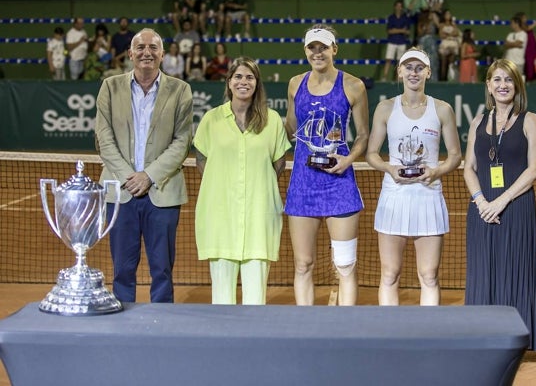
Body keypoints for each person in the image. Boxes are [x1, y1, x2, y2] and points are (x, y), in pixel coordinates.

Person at [94, 28, 193, 303]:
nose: (146, 52)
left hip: (162, 192)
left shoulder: (181, 90)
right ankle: (122, 324)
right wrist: (130, 177)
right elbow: (104, 138)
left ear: (162, 54)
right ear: (130, 54)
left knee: (162, 269)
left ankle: (161, 325)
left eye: (153, 47)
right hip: (120, 192)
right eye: (140, 47)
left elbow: (182, 141)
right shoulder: (110, 87)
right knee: (122, 269)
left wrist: (148, 176)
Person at [365, 48, 462, 305]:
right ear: (400, 71)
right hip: (393, 197)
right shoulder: (385, 108)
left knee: (429, 276)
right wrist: (389, 168)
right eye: (408, 67)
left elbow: (454, 155)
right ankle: (389, 336)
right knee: (389, 274)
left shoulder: (443, 110)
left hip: (429, 197)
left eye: (419, 68)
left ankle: (426, 338)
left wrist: (437, 170)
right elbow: (372, 154)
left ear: (428, 72)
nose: (413, 72)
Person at [284, 24, 369, 306]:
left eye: (323, 47)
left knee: (345, 266)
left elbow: (363, 135)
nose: (317, 53)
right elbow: (291, 128)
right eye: (312, 47)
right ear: (305, 50)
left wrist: (348, 159)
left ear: (334, 49)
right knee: (303, 264)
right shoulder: (295, 84)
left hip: (339, 183)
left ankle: (344, 333)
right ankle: (304, 330)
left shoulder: (353, 85)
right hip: (303, 184)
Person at [194, 57, 291, 305]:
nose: (243, 82)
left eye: (249, 77)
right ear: (229, 83)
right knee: (222, 299)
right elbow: (202, 160)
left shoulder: (272, 121)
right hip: (220, 218)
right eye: (238, 76)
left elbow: (278, 164)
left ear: (257, 84)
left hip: (259, 218)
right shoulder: (211, 120)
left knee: (255, 301)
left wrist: (254, 183)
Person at [463, 58, 536, 351]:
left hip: (516, 209)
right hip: (482, 212)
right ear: (488, 85)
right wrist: (482, 201)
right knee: (484, 270)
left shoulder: (530, 120)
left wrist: (501, 201)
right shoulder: (478, 122)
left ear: (517, 85)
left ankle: (517, 340)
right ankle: (481, 338)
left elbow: (535, 169)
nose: (502, 85)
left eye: (508, 80)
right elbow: (468, 167)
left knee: (516, 271)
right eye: (497, 80)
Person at [381, 0, 411, 82]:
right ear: (394, 7)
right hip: (392, 41)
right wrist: (401, 30)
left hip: (402, 42)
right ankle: (384, 77)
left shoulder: (405, 18)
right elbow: (389, 31)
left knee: (400, 62)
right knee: (388, 59)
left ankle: (398, 78)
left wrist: (396, 30)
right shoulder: (391, 18)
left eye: (400, 6)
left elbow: (408, 31)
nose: (399, 8)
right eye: (397, 6)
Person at [518, 12, 536, 83]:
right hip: (527, 48)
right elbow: (527, 29)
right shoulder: (520, 27)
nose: (525, 19)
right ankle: (528, 80)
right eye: (524, 18)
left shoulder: (527, 25)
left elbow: (533, 35)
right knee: (529, 64)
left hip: (533, 47)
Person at [437, 9, 461, 82]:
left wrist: (447, 34)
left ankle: (451, 78)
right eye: (447, 14)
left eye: (449, 14)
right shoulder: (442, 25)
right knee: (444, 60)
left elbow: (456, 33)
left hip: (453, 44)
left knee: (451, 61)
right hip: (445, 44)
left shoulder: (453, 24)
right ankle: (443, 79)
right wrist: (450, 35)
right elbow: (441, 35)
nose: (448, 16)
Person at [503, 14, 527, 79]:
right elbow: (506, 45)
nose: (511, 25)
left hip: (518, 62)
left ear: (517, 24)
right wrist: (515, 44)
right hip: (508, 62)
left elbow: (519, 43)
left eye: (512, 23)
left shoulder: (523, 34)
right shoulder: (510, 34)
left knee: (518, 83)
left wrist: (510, 44)